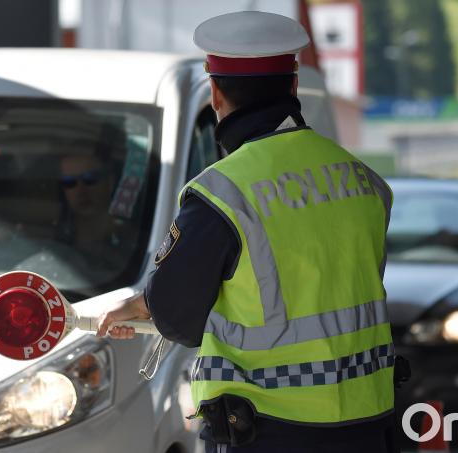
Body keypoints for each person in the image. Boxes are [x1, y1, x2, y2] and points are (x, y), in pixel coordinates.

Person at [97, 11, 398, 453]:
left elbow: (176, 313)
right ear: (293, 87)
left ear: (216, 92)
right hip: (371, 426)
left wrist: (142, 305)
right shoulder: (365, 182)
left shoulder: (222, 193)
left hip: (268, 431)